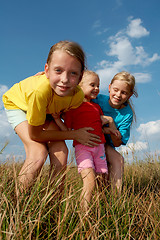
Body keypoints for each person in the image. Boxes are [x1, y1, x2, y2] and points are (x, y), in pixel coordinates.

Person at [2, 41, 101, 192]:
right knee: (38, 152)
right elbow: (35, 135)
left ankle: (52, 206)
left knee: (61, 151)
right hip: (20, 105)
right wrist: (74, 134)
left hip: (46, 110)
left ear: (81, 77)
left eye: (73, 73)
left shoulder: (76, 95)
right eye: (58, 70)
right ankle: (16, 204)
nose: (65, 79)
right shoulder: (39, 92)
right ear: (47, 71)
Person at [54, 70, 119, 210]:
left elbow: (98, 128)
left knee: (102, 181)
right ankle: (83, 217)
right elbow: (67, 131)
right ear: (79, 86)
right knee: (89, 182)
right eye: (92, 85)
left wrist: (110, 130)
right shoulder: (73, 108)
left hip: (99, 148)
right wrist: (56, 119)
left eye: (98, 85)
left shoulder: (97, 107)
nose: (96, 88)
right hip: (83, 148)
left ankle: (101, 210)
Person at [93, 71, 138, 193]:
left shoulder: (127, 113)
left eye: (124, 93)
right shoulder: (98, 99)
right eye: (116, 90)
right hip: (92, 139)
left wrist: (111, 123)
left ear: (129, 95)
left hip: (107, 144)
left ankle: (115, 200)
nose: (118, 95)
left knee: (118, 160)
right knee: (99, 177)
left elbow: (117, 143)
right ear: (109, 88)